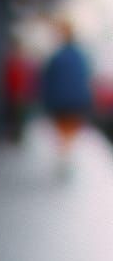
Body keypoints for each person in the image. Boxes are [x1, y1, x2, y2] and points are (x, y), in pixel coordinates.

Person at [40, 18, 93, 177]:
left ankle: (64, 157)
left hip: (60, 101)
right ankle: (67, 157)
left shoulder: (57, 57)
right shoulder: (81, 56)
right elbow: (86, 80)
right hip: (76, 101)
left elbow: (47, 80)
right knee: (70, 132)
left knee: (62, 131)